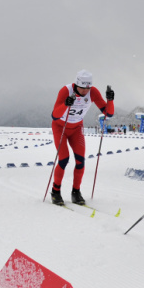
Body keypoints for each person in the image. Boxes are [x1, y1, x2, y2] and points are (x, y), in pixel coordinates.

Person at [50, 70, 114, 206]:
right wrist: (65, 104)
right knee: (64, 159)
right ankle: (55, 191)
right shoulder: (66, 90)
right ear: (76, 85)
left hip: (77, 129)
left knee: (80, 161)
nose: (85, 91)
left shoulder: (93, 92)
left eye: (87, 88)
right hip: (60, 127)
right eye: (82, 88)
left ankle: (76, 192)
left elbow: (108, 113)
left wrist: (110, 100)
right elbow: (55, 115)